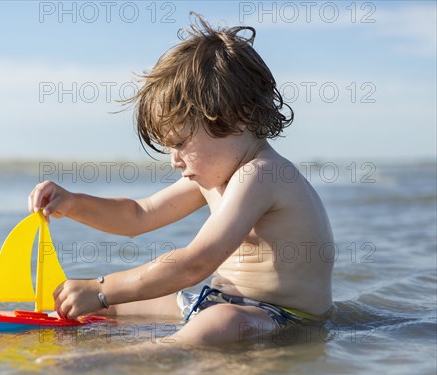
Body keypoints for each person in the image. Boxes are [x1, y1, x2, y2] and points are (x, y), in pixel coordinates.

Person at [26, 13, 334, 346]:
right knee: (123, 304)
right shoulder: (218, 174)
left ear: (236, 118)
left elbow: (196, 262)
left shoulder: (261, 175)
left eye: (180, 143)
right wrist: (72, 203)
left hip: (280, 318)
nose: (174, 160)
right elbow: (138, 215)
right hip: (213, 301)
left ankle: (136, 358)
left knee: (220, 322)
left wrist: (101, 289)